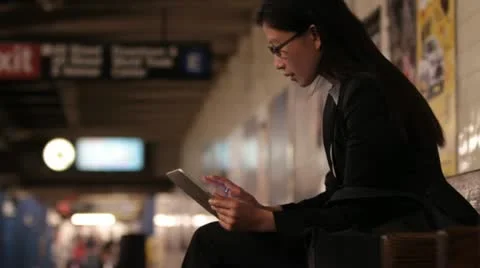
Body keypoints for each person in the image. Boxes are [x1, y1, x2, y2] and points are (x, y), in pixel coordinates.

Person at [181, 1, 479, 267]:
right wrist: (265, 210)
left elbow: (361, 209)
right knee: (218, 241)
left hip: (405, 239)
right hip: (370, 236)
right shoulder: (344, 94)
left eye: (278, 48)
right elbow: (340, 198)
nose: (277, 62)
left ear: (314, 35)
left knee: (213, 242)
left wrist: (265, 220)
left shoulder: (366, 92)